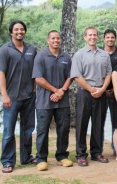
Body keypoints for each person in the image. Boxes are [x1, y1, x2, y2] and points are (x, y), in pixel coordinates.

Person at [0, 20, 37, 173]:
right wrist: (4, 95)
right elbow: (1, 74)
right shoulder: (5, 50)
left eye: (22, 29)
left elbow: (35, 72)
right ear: (11, 32)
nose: (20, 32)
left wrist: (34, 90)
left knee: (28, 129)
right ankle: (7, 161)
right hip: (11, 98)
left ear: (25, 32)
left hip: (29, 97)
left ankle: (26, 157)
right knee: (8, 131)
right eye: (16, 29)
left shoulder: (32, 49)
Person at [71, 26, 112, 166]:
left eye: (95, 35)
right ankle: (81, 154)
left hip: (101, 92)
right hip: (84, 93)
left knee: (98, 124)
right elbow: (77, 76)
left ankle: (96, 152)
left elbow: (109, 74)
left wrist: (102, 89)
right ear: (85, 37)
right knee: (82, 124)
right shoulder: (79, 55)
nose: (92, 37)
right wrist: (91, 89)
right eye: (90, 35)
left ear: (98, 37)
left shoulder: (104, 55)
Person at [32, 30, 73, 171]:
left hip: (62, 101)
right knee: (42, 130)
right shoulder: (41, 57)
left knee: (63, 129)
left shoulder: (66, 57)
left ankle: (62, 156)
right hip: (44, 102)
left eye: (58, 38)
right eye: (53, 38)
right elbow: (38, 79)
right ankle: (41, 158)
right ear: (48, 40)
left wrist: (61, 91)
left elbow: (70, 77)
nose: (56, 40)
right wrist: (56, 90)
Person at [103, 29, 117, 155]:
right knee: (99, 121)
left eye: (112, 37)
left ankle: (116, 148)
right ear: (104, 39)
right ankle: (98, 150)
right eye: (108, 37)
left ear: (115, 39)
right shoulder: (98, 53)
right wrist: (103, 89)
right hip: (102, 92)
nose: (110, 39)